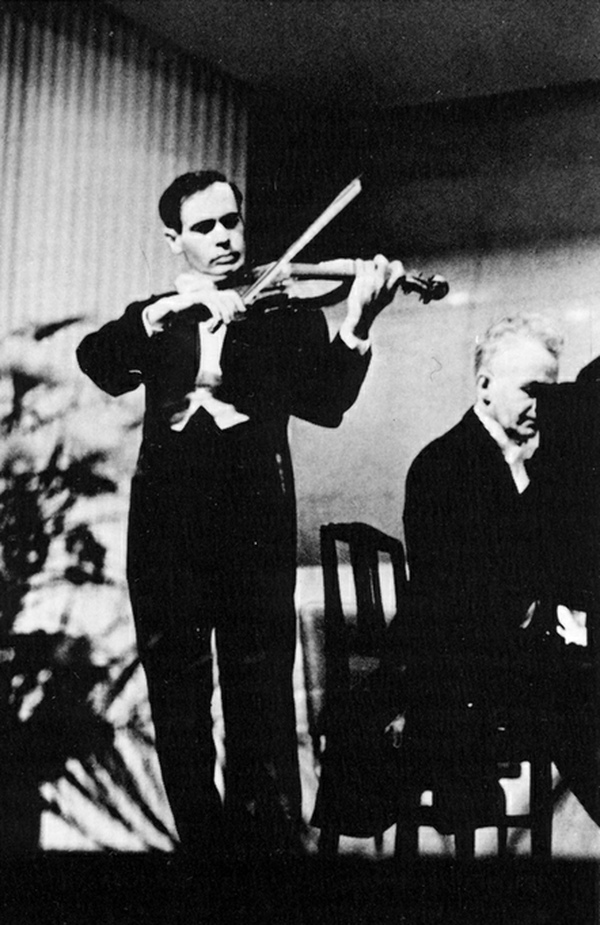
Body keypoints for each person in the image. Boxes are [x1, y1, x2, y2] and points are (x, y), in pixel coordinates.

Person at [76, 169, 404, 861]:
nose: (224, 238)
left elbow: (327, 404)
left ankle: (266, 857)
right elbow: (99, 360)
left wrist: (359, 323)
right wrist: (159, 315)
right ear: (175, 240)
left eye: (231, 222)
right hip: (165, 535)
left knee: (259, 692)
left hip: (253, 527)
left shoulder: (283, 314)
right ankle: (203, 850)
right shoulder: (160, 318)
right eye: (205, 228)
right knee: (178, 698)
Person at [388, 312, 600, 832]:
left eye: (552, 393)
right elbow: (457, 600)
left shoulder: (545, 465)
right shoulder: (443, 464)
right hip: (457, 667)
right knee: (581, 696)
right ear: (484, 386)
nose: (542, 407)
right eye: (531, 390)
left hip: (518, 660)